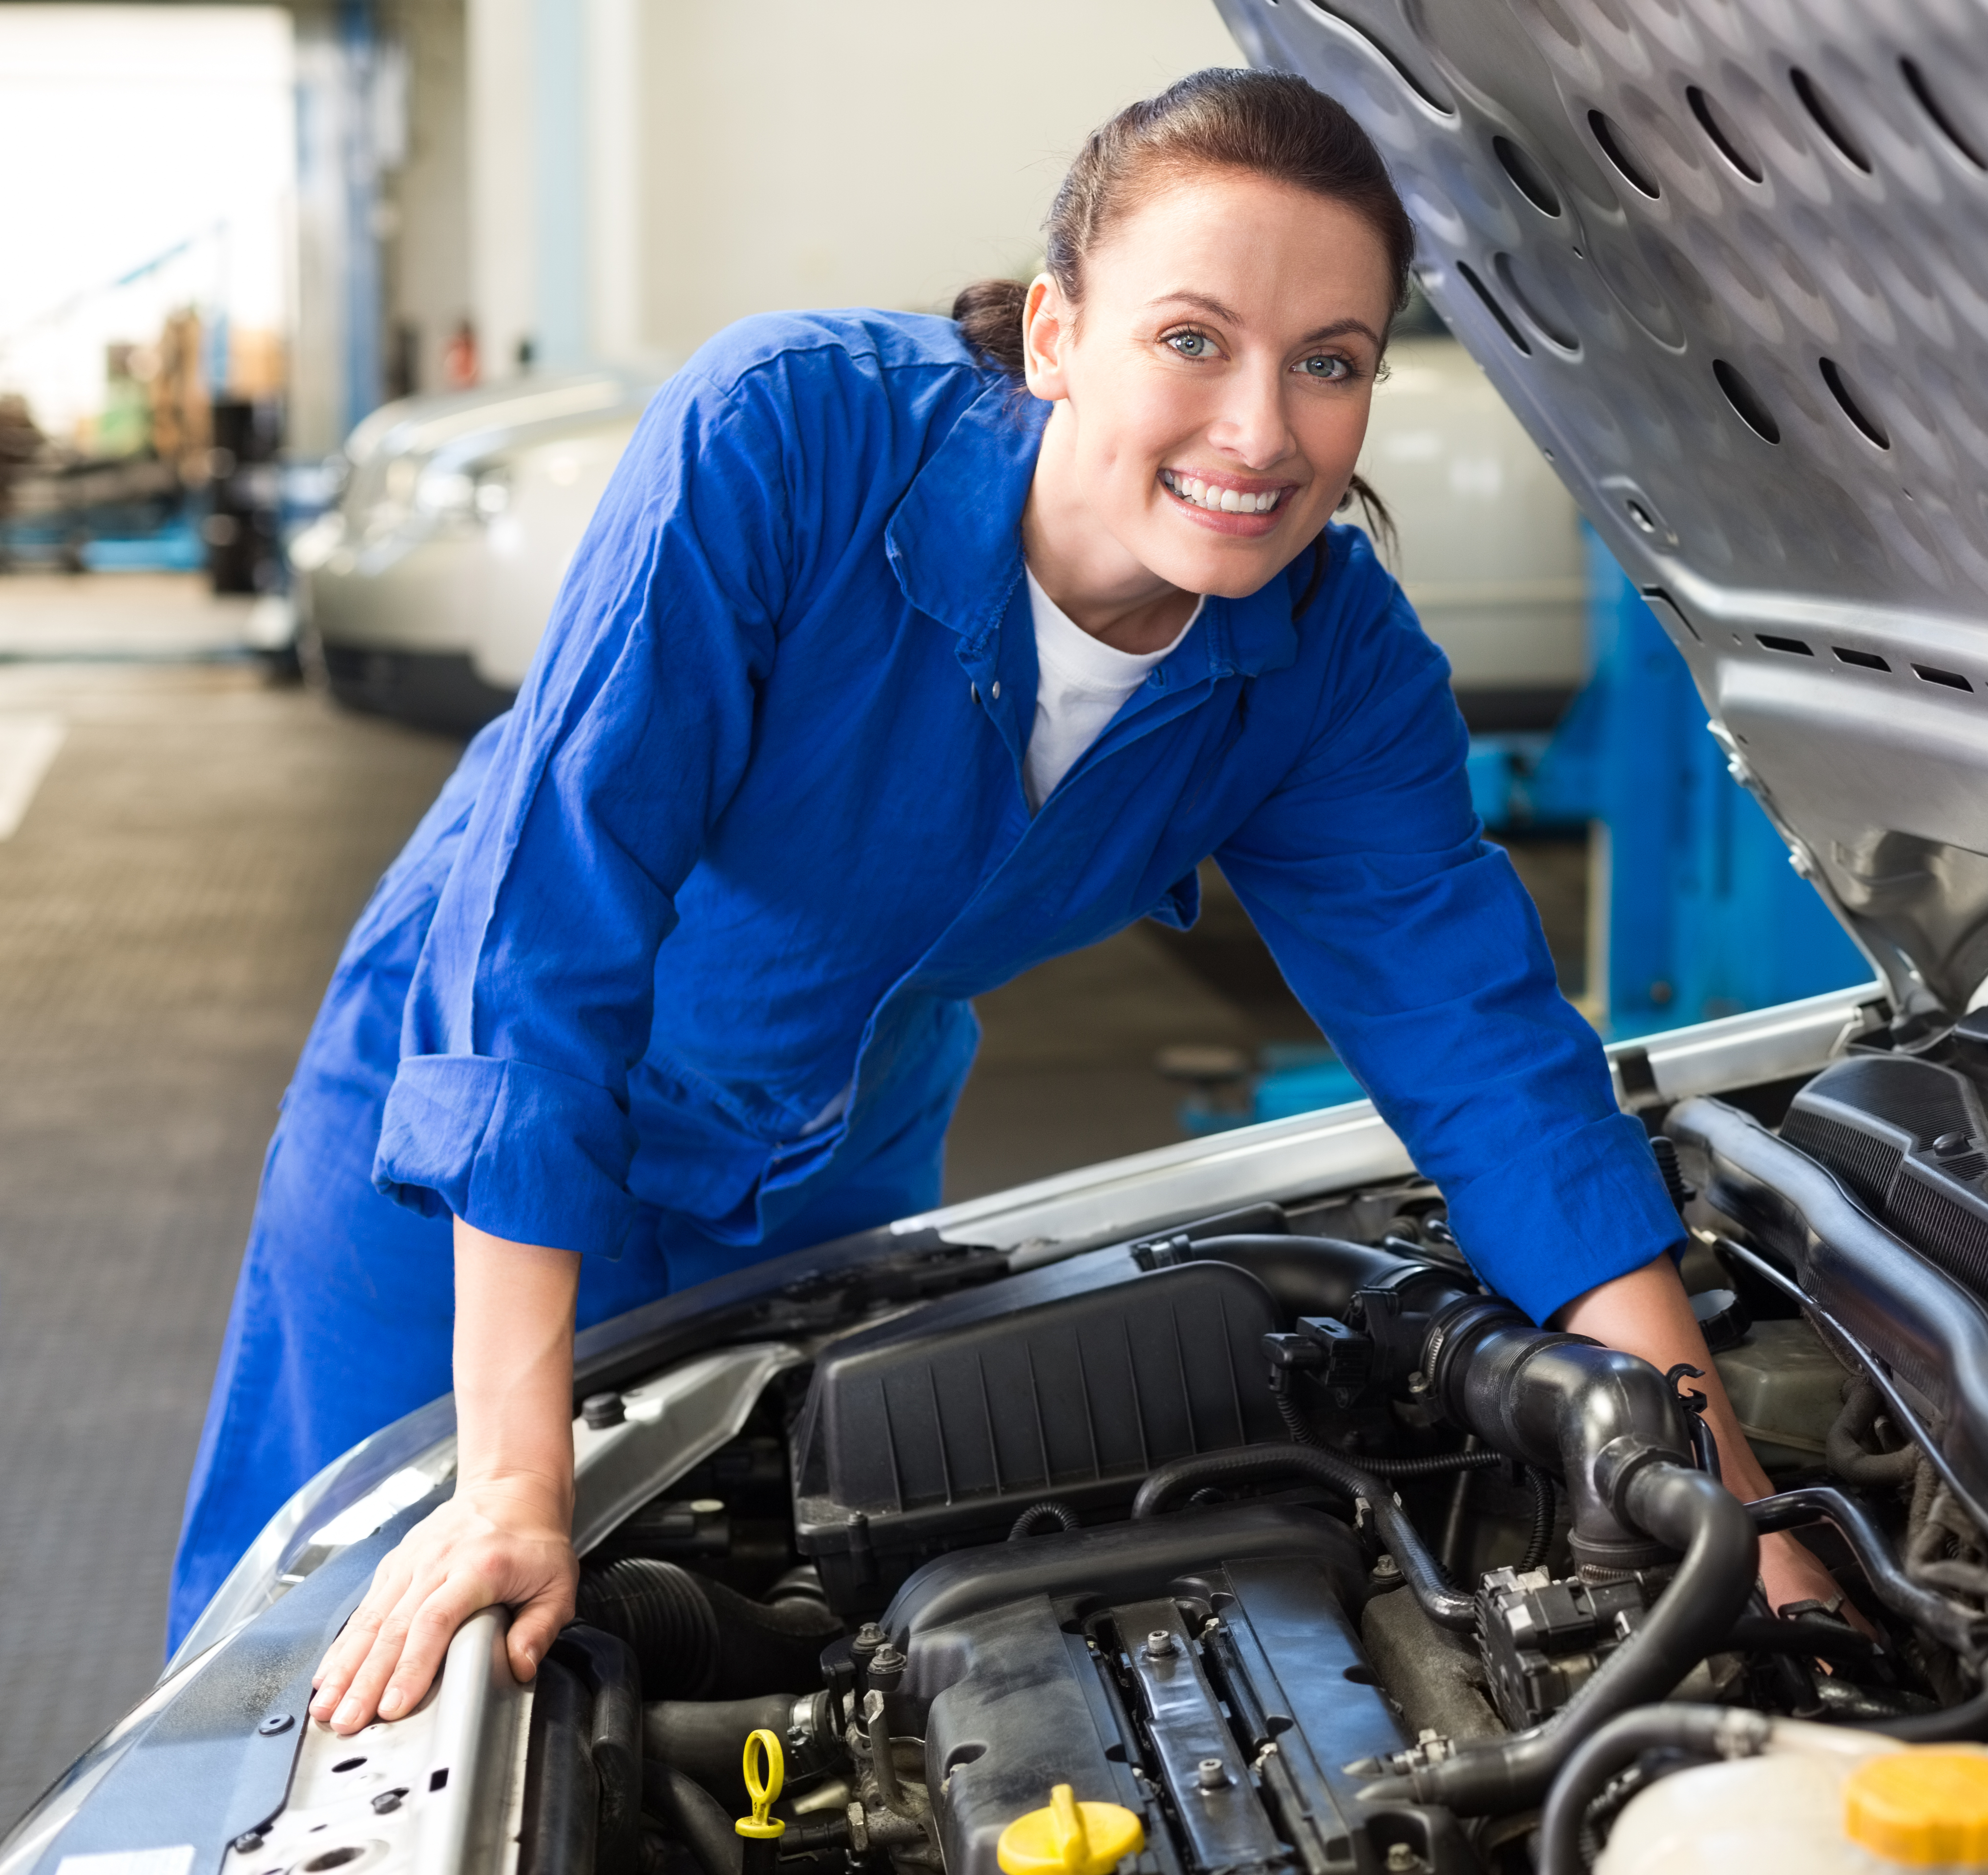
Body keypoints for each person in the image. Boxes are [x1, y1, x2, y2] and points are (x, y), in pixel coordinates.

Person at [169, 68, 1848, 1735]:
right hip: (461, 1155)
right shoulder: (787, 438)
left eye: (1328, 364)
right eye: (1192, 339)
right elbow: (547, 934)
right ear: (1056, 333)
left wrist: (1749, 1539)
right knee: (335, 1683)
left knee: (763, 1631)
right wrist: (509, 1484)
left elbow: (1499, 1080)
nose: (1261, 433)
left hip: (825, 1167)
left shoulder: (1329, 671)